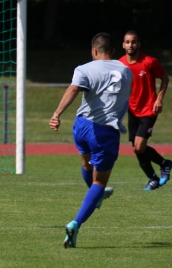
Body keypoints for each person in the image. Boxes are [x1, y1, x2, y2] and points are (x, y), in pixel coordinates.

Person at [49, 32, 133, 248]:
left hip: (82, 126)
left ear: (94, 51)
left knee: (86, 163)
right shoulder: (126, 70)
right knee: (100, 182)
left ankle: (95, 197)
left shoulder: (84, 68)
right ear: (113, 52)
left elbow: (74, 89)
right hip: (105, 132)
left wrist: (57, 114)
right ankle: (76, 222)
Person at [119, 30, 172, 190]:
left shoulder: (149, 62)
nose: (130, 45)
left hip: (149, 109)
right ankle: (153, 178)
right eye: (127, 42)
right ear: (123, 45)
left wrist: (159, 99)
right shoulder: (120, 63)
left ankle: (165, 163)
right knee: (136, 148)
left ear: (138, 44)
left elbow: (164, 78)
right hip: (132, 110)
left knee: (140, 146)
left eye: (133, 42)